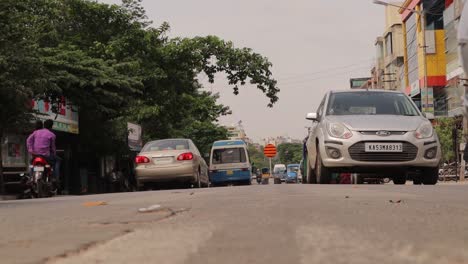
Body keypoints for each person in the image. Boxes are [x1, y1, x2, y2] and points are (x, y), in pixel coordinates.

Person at [27, 119, 61, 184]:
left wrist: (30, 150)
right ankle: (55, 178)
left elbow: (28, 140)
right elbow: (53, 147)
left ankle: (31, 178)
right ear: (51, 126)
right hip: (46, 156)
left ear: (44, 125)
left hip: (35, 155)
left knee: (31, 164)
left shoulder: (36, 132)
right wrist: (54, 153)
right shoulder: (52, 135)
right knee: (58, 160)